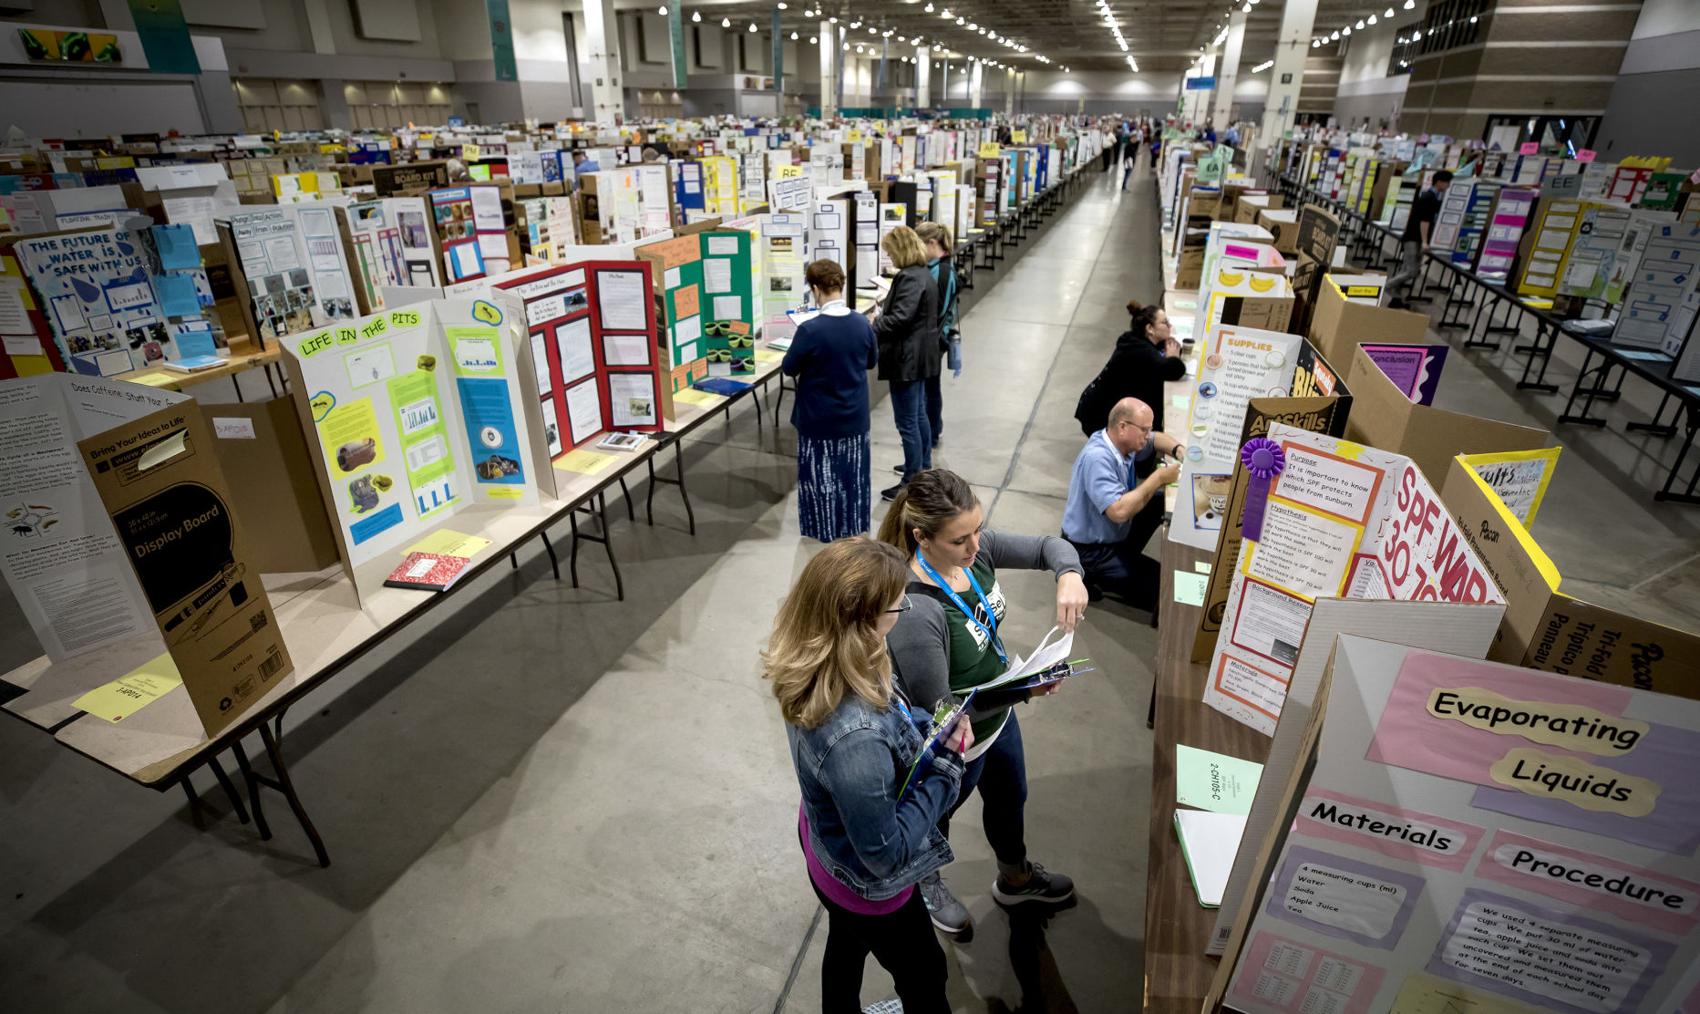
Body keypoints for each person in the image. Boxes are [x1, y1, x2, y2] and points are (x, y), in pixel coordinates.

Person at [879, 469, 1089, 939]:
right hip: (957, 744)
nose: (976, 547)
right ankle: (926, 884)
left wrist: (1070, 574)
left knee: (1010, 798)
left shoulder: (975, 550)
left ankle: (1015, 878)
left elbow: (1047, 548)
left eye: (978, 529)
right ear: (922, 538)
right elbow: (944, 717)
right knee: (935, 821)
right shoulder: (917, 611)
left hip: (999, 717)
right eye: (960, 540)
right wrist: (1022, 689)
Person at [765, 537, 971, 1014]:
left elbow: (893, 715)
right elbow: (884, 855)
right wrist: (946, 769)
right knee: (926, 974)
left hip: (826, 849)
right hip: (867, 885)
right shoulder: (853, 737)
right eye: (897, 607)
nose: (904, 613)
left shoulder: (827, 656)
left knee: (847, 943)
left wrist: (926, 727)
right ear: (861, 620)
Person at [782, 259, 878, 542]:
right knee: (853, 479)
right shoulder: (862, 324)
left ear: (815, 289)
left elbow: (789, 367)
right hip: (855, 417)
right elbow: (871, 361)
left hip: (818, 419)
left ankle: (822, 528)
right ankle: (852, 528)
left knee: (819, 478)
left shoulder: (811, 330)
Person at [1062, 398, 1183, 609]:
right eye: (1144, 430)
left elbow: (1156, 440)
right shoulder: (1098, 458)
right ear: (1123, 427)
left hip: (1113, 533)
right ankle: (1089, 573)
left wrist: (1178, 449)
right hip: (1090, 550)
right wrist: (1158, 478)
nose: (1148, 435)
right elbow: (1118, 512)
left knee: (1157, 502)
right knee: (1167, 587)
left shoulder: (1122, 442)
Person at [872, 225, 943, 501]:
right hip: (920, 356)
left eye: (890, 252)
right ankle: (922, 465)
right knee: (918, 416)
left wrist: (875, 324)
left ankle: (911, 479)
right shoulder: (922, 273)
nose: (889, 257)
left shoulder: (909, 278)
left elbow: (900, 317)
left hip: (906, 360)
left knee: (907, 421)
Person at [1073, 299, 1185, 439]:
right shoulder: (1140, 352)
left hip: (1096, 405)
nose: (1170, 326)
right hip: (1099, 415)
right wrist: (1173, 357)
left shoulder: (1135, 340)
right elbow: (1174, 369)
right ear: (1150, 329)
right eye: (1165, 323)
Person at [915, 221, 960, 441]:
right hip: (931, 337)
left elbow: (936, 312)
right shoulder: (934, 268)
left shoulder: (942, 272)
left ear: (932, 243)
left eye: (920, 245)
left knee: (929, 388)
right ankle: (933, 428)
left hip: (933, 340)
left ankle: (931, 432)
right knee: (930, 386)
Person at [1388, 169, 1452, 308]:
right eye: (1447, 182)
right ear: (1440, 182)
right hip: (1414, 238)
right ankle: (1386, 286)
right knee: (1412, 271)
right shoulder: (1428, 198)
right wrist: (1424, 242)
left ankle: (1396, 299)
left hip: (1413, 237)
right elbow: (1425, 221)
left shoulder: (1430, 196)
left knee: (1406, 269)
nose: (1448, 186)